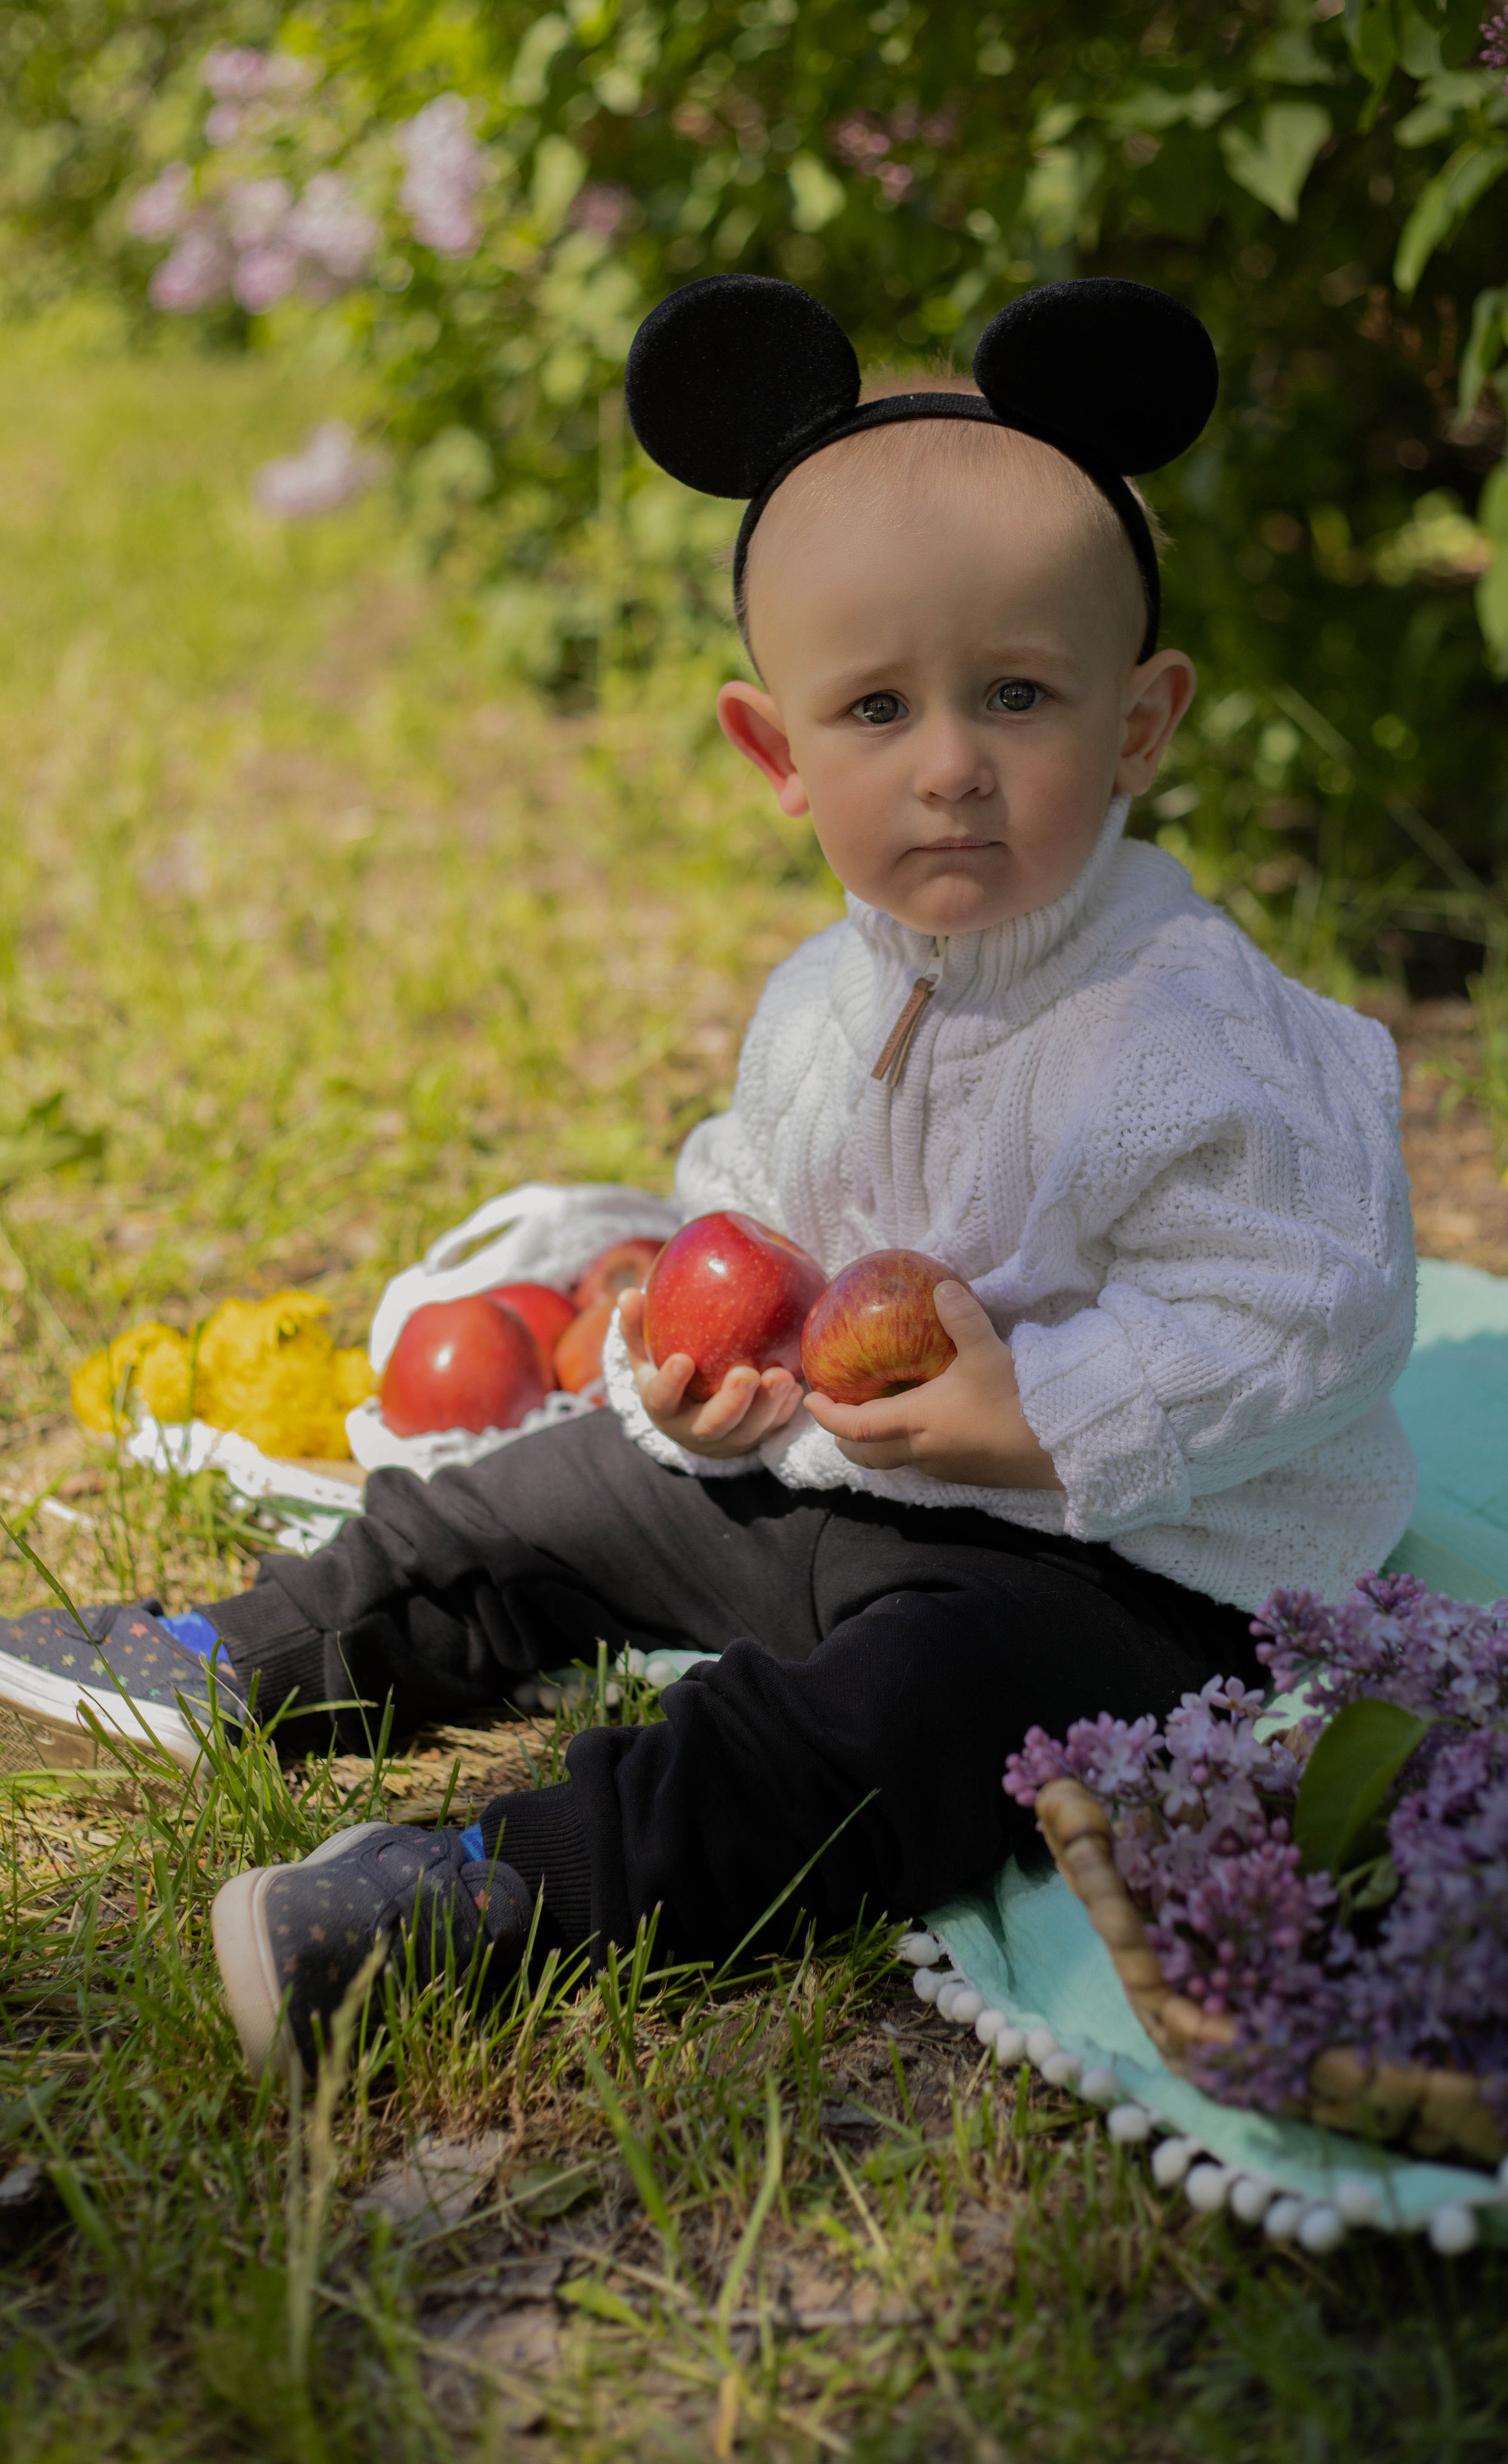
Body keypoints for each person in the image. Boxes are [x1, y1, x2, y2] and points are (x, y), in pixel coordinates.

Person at [0, 277, 1418, 2083]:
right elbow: (748, 1210)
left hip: (1134, 1564)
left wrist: (1041, 1414)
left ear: (1139, 724)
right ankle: (235, 1652)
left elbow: (1313, 1302)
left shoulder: (1199, 1025)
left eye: (1017, 696)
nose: (953, 767)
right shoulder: (826, 999)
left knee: (884, 1732)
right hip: (833, 1479)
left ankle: (495, 1898)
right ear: (779, 752)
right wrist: (686, 1380)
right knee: (534, 1498)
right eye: (879, 710)